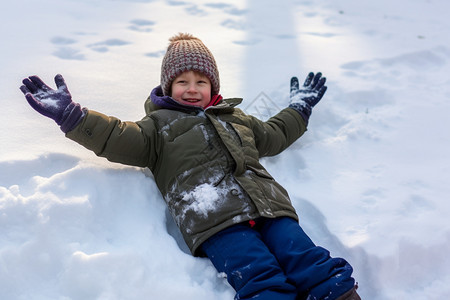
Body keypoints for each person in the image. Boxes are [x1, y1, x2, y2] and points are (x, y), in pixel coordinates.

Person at [20, 33, 361, 300]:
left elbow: (273, 135)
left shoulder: (237, 118)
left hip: (270, 207)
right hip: (213, 218)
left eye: (201, 81)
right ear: (168, 86)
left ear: (213, 86)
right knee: (260, 277)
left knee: (311, 262)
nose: (192, 89)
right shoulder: (156, 128)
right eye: (182, 82)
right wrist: (73, 117)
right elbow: (116, 136)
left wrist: (298, 110)